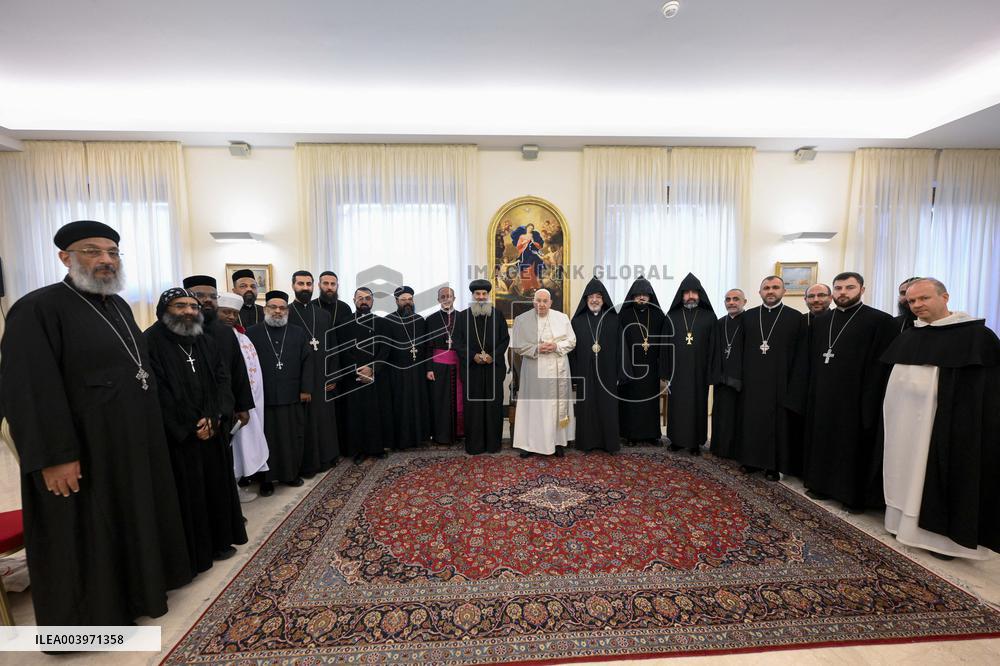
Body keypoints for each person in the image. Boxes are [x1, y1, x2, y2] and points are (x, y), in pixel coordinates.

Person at [0, 220, 191, 625]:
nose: (105, 260)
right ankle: (92, 622)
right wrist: (54, 456)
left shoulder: (117, 305)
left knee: (129, 522)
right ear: (65, 257)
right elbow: (28, 390)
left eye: (112, 252)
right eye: (92, 251)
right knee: (89, 533)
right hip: (80, 449)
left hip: (128, 443)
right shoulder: (38, 309)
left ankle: (138, 596)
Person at [881, 278, 1000, 560]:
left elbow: (983, 392)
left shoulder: (976, 337)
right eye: (912, 301)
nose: (918, 305)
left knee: (941, 474)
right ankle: (901, 524)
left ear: (944, 297)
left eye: (924, 298)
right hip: (906, 423)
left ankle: (943, 540)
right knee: (905, 471)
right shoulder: (910, 334)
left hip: (945, 424)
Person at [144, 288, 247, 571]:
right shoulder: (150, 343)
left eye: (193, 306)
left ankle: (220, 540)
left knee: (216, 487)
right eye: (181, 306)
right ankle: (196, 553)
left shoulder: (204, 340)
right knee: (189, 495)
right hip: (180, 437)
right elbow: (157, 392)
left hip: (212, 429)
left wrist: (214, 416)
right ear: (165, 310)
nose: (189, 311)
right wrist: (190, 425)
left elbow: (222, 380)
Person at [802, 272, 896, 512]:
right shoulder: (822, 321)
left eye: (849, 288)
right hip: (823, 392)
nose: (843, 292)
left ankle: (852, 495)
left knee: (852, 445)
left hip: (856, 396)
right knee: (822, 438)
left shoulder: (880, 321)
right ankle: (820, 484)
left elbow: (881, 365)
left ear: (862, 290)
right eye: (839, 288)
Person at [736, 275, 807, 481]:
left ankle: (773, 466)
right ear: (759, 293)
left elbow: (800, 354)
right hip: (751, 381)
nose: (770, 291)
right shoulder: (748, 317)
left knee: (777, 425)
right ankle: (750, 461)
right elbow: (739, 350)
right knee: (751, 422)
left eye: (775, 287)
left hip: (780, 382)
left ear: (783, 291)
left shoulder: (796, 318)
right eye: (766, 288)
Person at [245, 291, 313, 495]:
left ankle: (290, 474)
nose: (277, 311)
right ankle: (266, 479)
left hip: (292, 395)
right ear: (265, 309)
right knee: (265, 438)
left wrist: (306, 389)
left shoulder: (298, 332)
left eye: (282, 308)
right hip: (263, 397)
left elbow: (307, 362)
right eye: (273, 307)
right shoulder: (252, 333)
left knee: (291, 437)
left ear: (287, 311)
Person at [511, 289, 577, 457]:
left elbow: (572, 341)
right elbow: (517, 345)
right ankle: (529, 444)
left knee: (556, 405)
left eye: (544, 301)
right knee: (534, 405)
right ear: (533, 302)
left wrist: (556, 346)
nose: (541, 304)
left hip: (557, 366)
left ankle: (558, 442)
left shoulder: (562, 318)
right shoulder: (522, 319)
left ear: (550, 302)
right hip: (534, 369)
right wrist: (537, 348)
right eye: (538, 301)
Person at [217, 292, 269, 502]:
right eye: (226, 312)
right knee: (233, 447)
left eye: (234, 313)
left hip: (251, 401)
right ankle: (232, 489)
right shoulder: (215, 337)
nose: (231, 316)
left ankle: (238, 483)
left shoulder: (243, 337)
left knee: (247, 442)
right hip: (232, 402)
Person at [289, 270, 339, 473]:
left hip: (323, 375)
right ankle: (308, 463)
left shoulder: (323, 314)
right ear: (293, 286)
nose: (305, 288)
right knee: (305, 422)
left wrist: (334, 374)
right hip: (300, 377)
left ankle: (327, 457)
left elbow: (333, 346)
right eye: (301, 284)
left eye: (308, 284)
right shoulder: (288, 312)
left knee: (325, 418)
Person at [452, 279, 509, 455]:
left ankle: (493, 445)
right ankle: (475, 446)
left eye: (484, 294)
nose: (481, 297)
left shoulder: (498, 315)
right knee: (474, 409)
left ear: (488, 295)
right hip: (472, 369)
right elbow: (457, 341)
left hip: (493, 368)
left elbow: (504, 340)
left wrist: (493, 356)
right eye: (478, 294)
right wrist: (473, 356)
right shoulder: (462, 316)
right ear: (473, 295)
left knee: (493, 407)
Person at [661, 273, 716, 455]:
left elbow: (714, 347)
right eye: (687, 293)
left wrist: (710, 372)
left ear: (700, 294)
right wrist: (665, 373)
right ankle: (676, 440)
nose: (691, 296)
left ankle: (694, 443)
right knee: (677, 406)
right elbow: (665, 346)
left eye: (694, 292)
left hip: (699, 372)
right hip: (677, 371)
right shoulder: (672, 315)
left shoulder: (709, 316)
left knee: (697, 406)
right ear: (681, 295)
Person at [335, 287, 391, 463]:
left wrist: (373, 368)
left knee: (377, 413)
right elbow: (342, 350)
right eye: (360, 298)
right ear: (354, 300)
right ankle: (358, 450)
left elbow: (386, 349)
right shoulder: (344, 323)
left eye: (367, 298)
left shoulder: (382, 323)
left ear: (372, 301)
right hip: (354, 378)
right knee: (356, 414)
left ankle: (377, 448)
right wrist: (359, 370)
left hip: (377, 377)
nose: (364, 301)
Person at [568, 278, 620, 453]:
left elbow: (622, 348)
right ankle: (586, 443)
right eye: (591, 296)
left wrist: (621, 373)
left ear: (604, 299)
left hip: (608, 372)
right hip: (585, 372)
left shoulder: (613, 319)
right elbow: (572, 351)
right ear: (586, 299)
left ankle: (609, 444)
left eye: (598, 296)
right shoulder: (577, 321)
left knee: (607, 407)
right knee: (587, 407)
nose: (595, 300)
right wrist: (574, 375)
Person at [618, 278, 666, 446]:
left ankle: (652, 434)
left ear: (650, 297)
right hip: (630, 366)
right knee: (630, 402)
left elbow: (665, 343)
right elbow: (618, 342)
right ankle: (630, 434)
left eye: (645, 295)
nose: (641, 298)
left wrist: (663, 367)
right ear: (632, 297)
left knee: (650, 402)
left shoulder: (658, 315)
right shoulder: (624, 314)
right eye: (638, 295)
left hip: (651, 367)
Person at [384, 285, 432, 449]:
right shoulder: (388, 320)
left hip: (417, 370)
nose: (407, 303)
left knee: (418, 403)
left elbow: (426, 346)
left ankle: (419, 438)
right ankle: (401, 440)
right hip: (397, 371)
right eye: (403, 300)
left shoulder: (420, 320)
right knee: (400, 405)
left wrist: (427, 368)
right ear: (396, 301)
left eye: (410, 299)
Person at [312, 270, 353, 453]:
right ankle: (325, 448)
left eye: (333, 284)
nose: (329, 287)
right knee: (323, 412)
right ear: (319, 285)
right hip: (320, 366)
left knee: (344, 409)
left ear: (337, 286)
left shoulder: (344, 308)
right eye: (325, 283)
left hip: (344, 364)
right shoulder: (312, 307)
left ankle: (343, 446)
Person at [425, 286, 464, 444]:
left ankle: (458, 433)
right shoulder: (431, 319)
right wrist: (428, 368)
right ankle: (441, 434)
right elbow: (426, 346)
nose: (446, 298)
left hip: (458, 363)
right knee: (440, 400)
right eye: (443, 296)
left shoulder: (462, 317)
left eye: (449, 296)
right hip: (438, 365)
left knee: (458, 400)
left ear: (454, 298)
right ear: (438, 299)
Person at [710, 288, 746, 460]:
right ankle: (719, 448)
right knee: (721, 414)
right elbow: (714, 351)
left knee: (737, 417)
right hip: (721, 378)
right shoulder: (719, 322)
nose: (731, 302)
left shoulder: (750, 321)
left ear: (744, 302)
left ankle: (736, 451)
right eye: (728, 299)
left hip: (741, 380)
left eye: (736, 299)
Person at [511, 223, 545, 292]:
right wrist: (523, 243)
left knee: (533, 269)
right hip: (525, 254)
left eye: (532, 228)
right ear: (526, 228)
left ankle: (535, 286)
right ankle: (527, 287)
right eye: (529, 228)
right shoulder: (522, 236)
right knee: (525, 269)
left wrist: (534, 242)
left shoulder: (534, 236)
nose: (530, 229)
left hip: (533, 253)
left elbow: (539, 246)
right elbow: (518, 246)